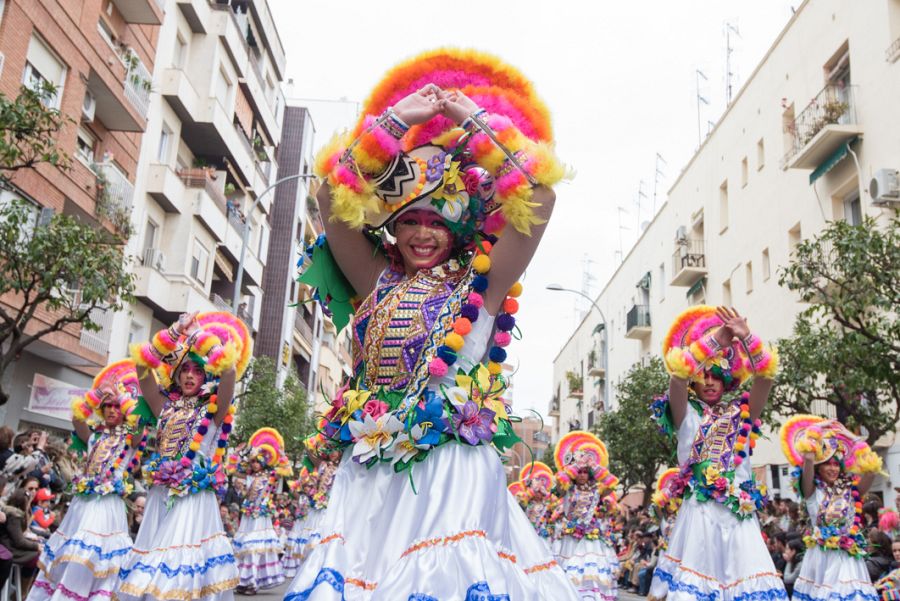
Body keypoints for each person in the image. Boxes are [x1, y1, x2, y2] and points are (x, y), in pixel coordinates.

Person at [284, 48, 574, 599]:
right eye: (409, 221)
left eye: (437, 221)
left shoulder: (482, 285)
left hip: (454, 466)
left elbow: (541, 195)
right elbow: (329, 195)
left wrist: (475, 123)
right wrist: (396, 123)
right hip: (373, 466)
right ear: (391, 228)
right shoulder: (375, 281)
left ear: (462, 228)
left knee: (446, 575)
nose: (421, 233)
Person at [648, 305, 785, 601]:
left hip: (739, 516)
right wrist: (716, 341)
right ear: (695, 381)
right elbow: (676, 377)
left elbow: (765, 378)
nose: (710, 382)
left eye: (717, 376)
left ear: (727, 381)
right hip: (699, 513)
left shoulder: (742, 413)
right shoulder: (686, 414)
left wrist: (747, 338)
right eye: (704, 376)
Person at [118, 311, 251, 601]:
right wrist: (173, 333)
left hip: (192, 499)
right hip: (159, 495)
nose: (190, 375)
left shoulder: (215, 408)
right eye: (185, 369)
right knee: (152, 568)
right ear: (177, 374)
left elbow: (228, 371)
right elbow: (142, 367)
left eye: (198, 370)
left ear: (207, 375)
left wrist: (198, 337)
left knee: (176, 570)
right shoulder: (164, 406)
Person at [27, 360, 148, 601]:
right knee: (72, 553)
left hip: (107, 507)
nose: (112, 410)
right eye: (107, 406)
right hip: (83, 504)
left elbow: (139, 424)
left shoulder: (129, 438)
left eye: (116, 406)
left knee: (94, 556)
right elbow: (76, 418)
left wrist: (122, 395)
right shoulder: (94, 437)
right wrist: (98, 393)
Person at [781, 414, 883, 601]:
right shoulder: (811, 490)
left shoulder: (850, 490)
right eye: (827, 463)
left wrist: (853, 438)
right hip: (821, 557)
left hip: (848, 556)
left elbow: (871, 470)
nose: (833, 469)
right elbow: (809, 459)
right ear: (819, 467)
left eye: (836, 464)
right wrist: (816, 430)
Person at [553, 432, 620, 601]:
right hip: (569, 538)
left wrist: (593, 464)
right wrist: (576, 465)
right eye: (580, 472)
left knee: (589, 570)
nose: (582, 474)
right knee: (568, 569)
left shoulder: (597, 490)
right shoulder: (568, 488)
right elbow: (558, 486)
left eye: (585, 471)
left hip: (590, 537)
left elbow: (612, 484)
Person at [231, 428, 291, 595]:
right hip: (248, 517)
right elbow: (232, 469)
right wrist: (236, 453)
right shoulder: (248, 476)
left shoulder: (270, 476)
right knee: (244, 548)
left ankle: (253, 582)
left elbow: (285, 469)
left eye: (257, 461)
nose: (254, 464)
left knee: (254, 548)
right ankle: (243, 582)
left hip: (261, 518)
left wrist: (281, 453)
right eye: (253, 462)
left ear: (263, 462)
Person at [0, 488, 41, 596]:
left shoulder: (12, 512)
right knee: (37, 556)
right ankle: (22, 593)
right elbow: (19, 541)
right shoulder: (15, 515)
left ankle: (24, 591)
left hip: (9, 545)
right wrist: (36, 546)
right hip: (9, 548)